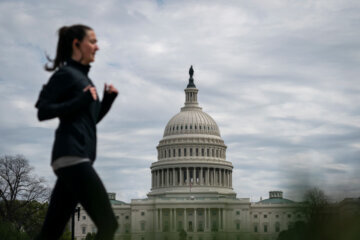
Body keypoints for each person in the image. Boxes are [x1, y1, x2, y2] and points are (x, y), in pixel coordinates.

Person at [35, 24, 118, 240]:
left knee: (50, 232)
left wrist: (107, 101)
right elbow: (43, 110)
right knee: (108, 224)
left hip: (77, 156)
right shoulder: (66, 74)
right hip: (72, 155)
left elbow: (89, 121)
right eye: (92, 41)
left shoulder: (84, 78)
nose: (97, 47)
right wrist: (79, 100)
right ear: (76, 44)